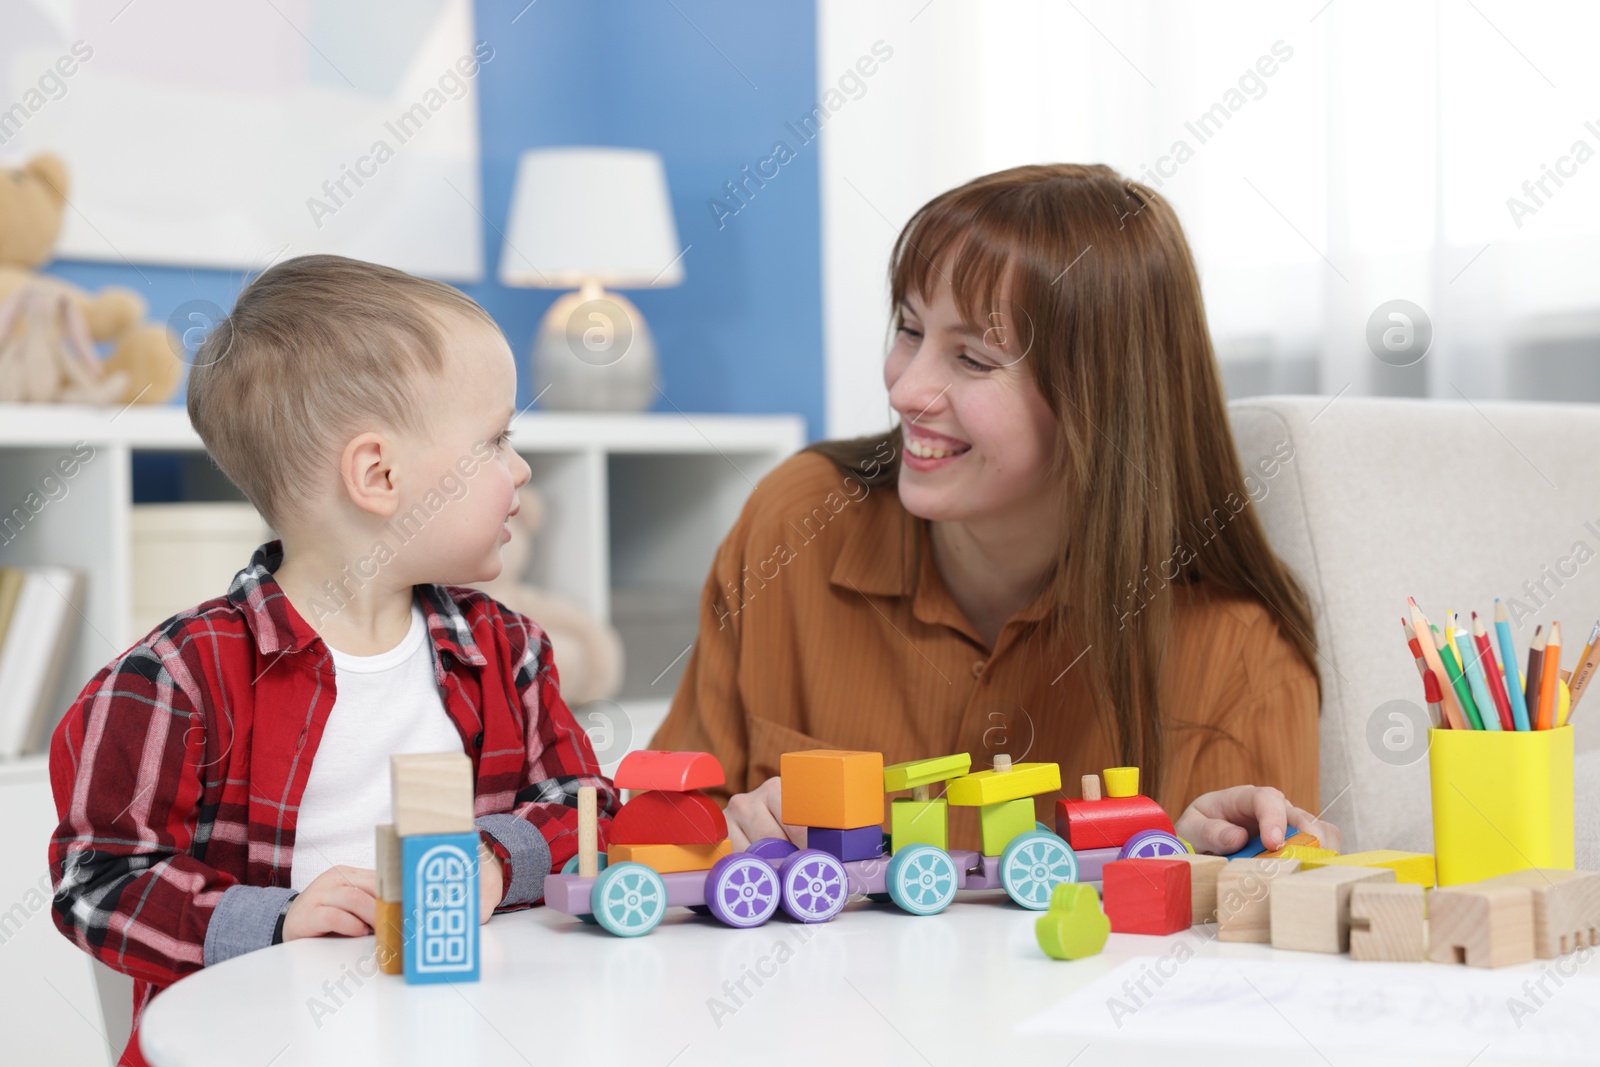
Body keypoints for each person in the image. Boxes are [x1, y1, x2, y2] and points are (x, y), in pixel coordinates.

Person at [652, 163, 1339, 858]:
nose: (907, 389)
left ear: (1101, 405)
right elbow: (658, 830)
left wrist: (1196, 869)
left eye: (974, 360)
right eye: (911, 330)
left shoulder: (1240, 658)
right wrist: (720, 835)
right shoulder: (795, 524)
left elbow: (1252, 927)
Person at [47, 255, 618, 1067]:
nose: (520, 468)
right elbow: (97, 883)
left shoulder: (508, 649)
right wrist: (275, 919)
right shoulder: (175, 678)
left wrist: (495, 856)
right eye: (497, 439)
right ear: (379, 474)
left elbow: (586, 802)